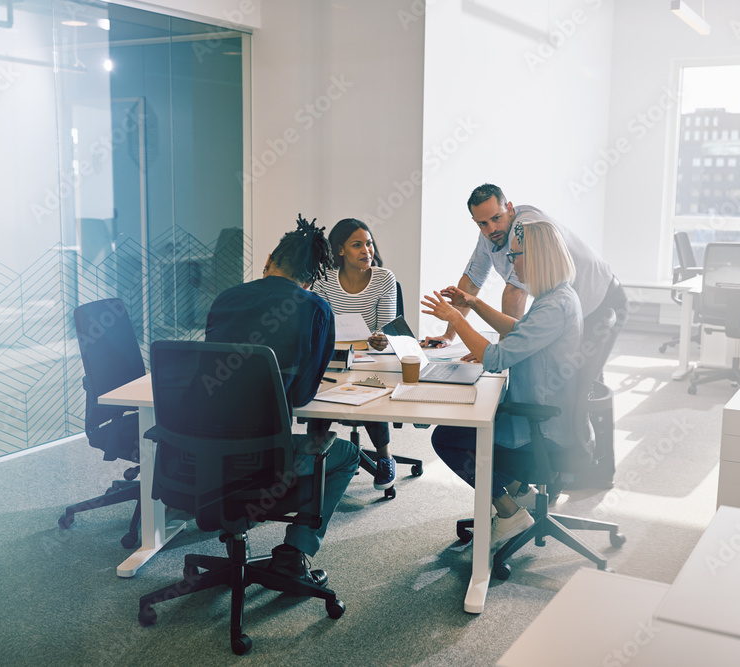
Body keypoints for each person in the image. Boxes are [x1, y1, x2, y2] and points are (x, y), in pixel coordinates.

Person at [205, 215, 359, 588]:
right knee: (346, 455)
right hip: (266, 459)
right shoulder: (315, 308)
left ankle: (234, 525)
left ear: (270, 257)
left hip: (205, 453)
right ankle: (294, 553)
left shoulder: (226, 299)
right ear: (311, 278)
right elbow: (303, 396)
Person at [420, 219, 590, 547]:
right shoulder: (558, 297)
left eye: (515, 256)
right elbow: (519, 331)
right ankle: (516, 489)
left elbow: (496, 357)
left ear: (536, 257)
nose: (511, 263)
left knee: (447, 437)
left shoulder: (554, 306)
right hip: (548, 414)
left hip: (541, 427)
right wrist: (473, 303)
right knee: (468, 423)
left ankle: (509, 511)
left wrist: (455, 318)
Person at [423, 184, 627, 386]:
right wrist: (450, 334)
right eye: (482, 223)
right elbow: (472, 281)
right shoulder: (491, 234)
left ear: (510, 208)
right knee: (576, 384)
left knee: (584, 383)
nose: (491, 229)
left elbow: (515, 291)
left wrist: (500, 352)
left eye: (496, 218)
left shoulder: (526, 231)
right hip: (573, 307)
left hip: (602, 298)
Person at [309, 218, 399, 489]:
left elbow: (387, 330)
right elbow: (317, 323)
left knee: (372, 387)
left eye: (369, 243)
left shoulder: (384, 278)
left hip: (372, 357)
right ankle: (313, 458)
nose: (366, 251)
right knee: (320, 391)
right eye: (357, 245)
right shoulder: (324, 279)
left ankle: (384, 456)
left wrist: (382, 340)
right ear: (340, 250)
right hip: (333, 354)